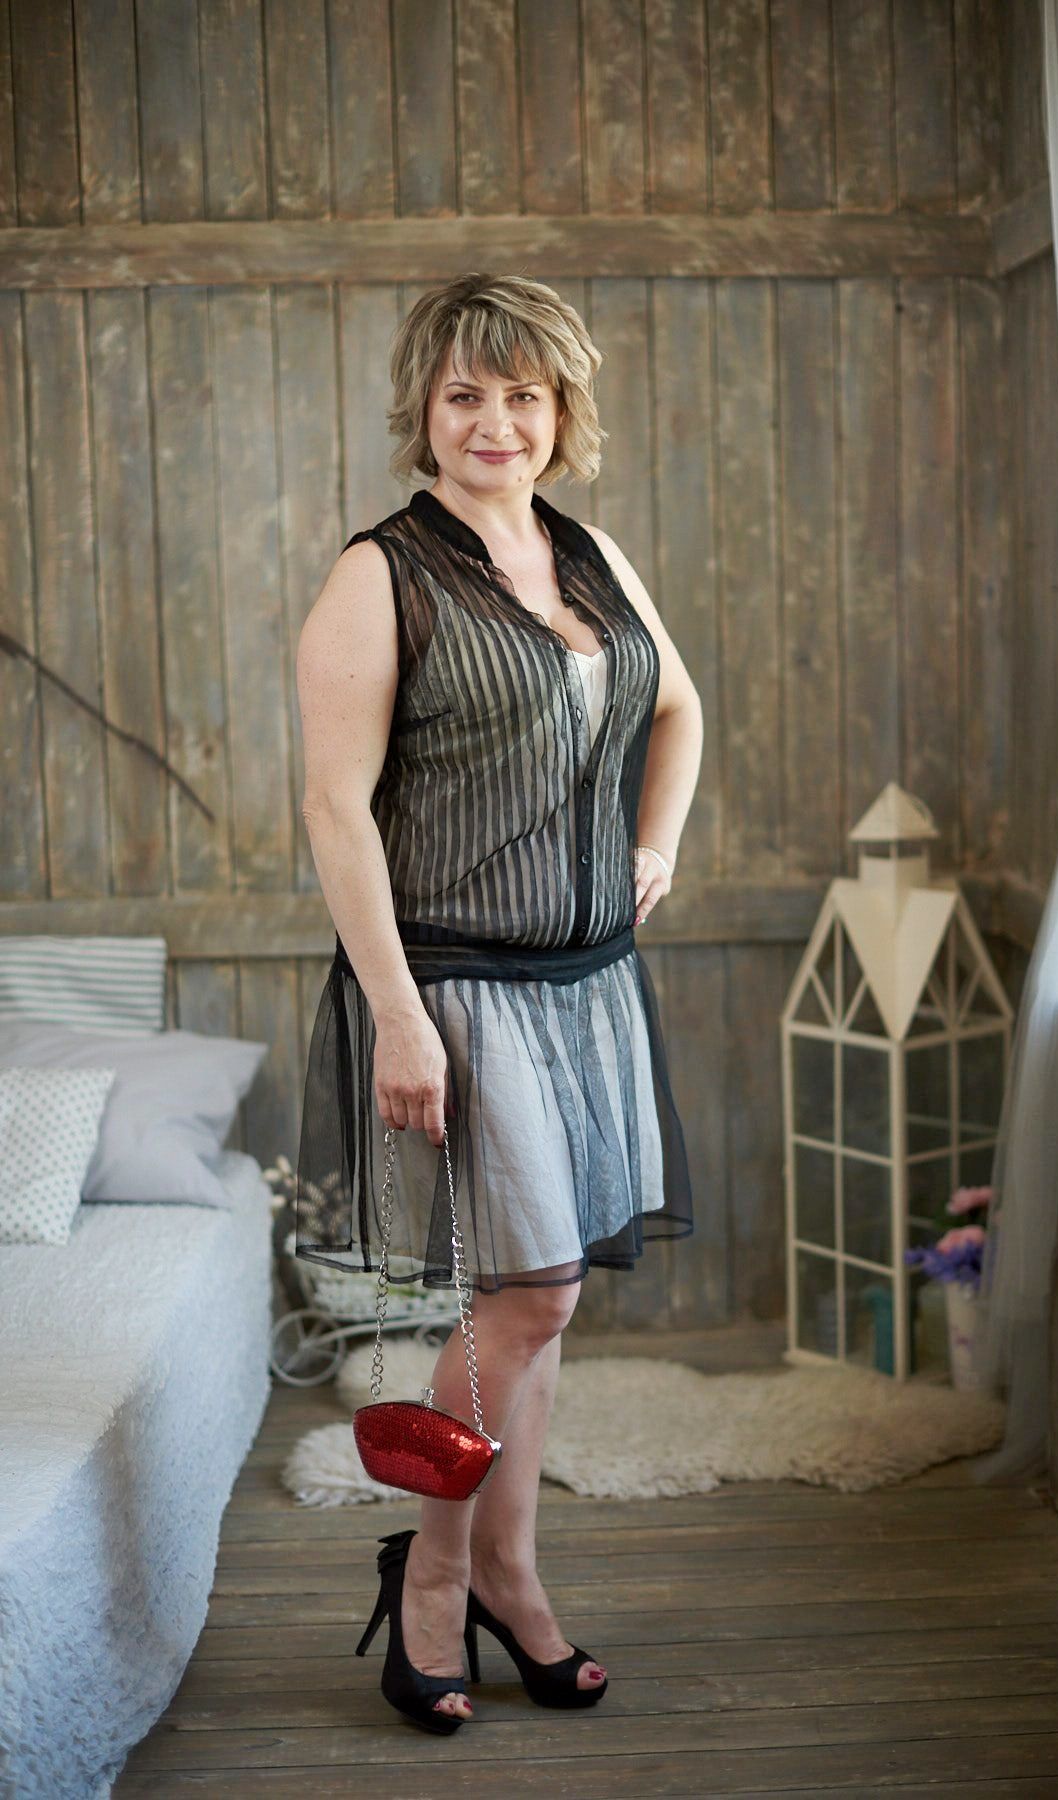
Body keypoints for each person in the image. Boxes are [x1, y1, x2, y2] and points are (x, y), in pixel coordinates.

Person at [293, 271, 703, 1733]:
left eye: (522, 394)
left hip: (587, 983)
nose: (494, 422)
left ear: (558, 409)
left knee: (537, 1298)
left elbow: (675, 705)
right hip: (458, 983)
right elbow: (335, 812)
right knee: (534, 1297)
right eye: (464, 393)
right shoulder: (380, 574)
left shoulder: (588, 554)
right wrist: (400, 1016)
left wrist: (654, 847)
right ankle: (434, 1577)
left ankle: (509, 1577)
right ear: (425, 409)